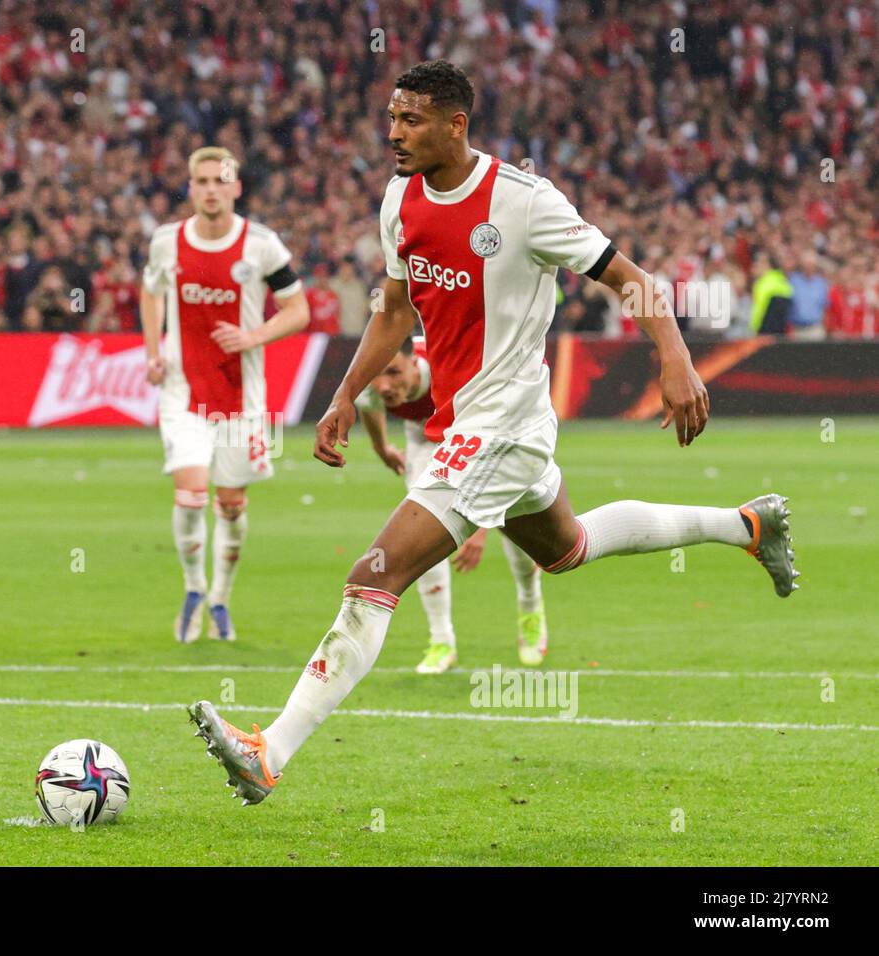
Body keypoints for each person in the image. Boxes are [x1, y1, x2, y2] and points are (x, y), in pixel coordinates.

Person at [191, 61, 798, 805]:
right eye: (390, 117)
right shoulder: (399, 202)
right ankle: (745, 525)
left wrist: (675, 356)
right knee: (567, 548)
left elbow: (631, 277)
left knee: (374, 575)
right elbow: (392, 311)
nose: (393, 133)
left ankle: (269, 751)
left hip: (501, 428)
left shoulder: (524, 201)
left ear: (456, 124)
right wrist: (346, 393)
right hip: (482, 426)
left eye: (410, 120)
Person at [139, 146, 310, 642]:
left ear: (236, 187)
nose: (211, 189)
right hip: (182, 392)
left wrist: (252, 337)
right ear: (191, 188)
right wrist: (154, 350)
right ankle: (193, 590)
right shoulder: (166, 242)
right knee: (191, 495)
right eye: (202, 181)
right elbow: (149, 292)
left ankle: (220, 599)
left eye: (221, 180)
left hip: (242, 400)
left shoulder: (262, 246)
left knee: (231, 504)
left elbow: (297, 310)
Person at [356, 336, 547, 672]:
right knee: (422, 531)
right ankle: (441, 640)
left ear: (414, 361)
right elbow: (368, 406)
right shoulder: (370, 378)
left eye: (394, 373)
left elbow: (489, 443)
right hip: (424, 435)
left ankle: (530, 606)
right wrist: (382, 448)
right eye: (378, 377)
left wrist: (480, 527)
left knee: (515, 522)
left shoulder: (451, 365)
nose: (385, 386)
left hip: (489, 430)